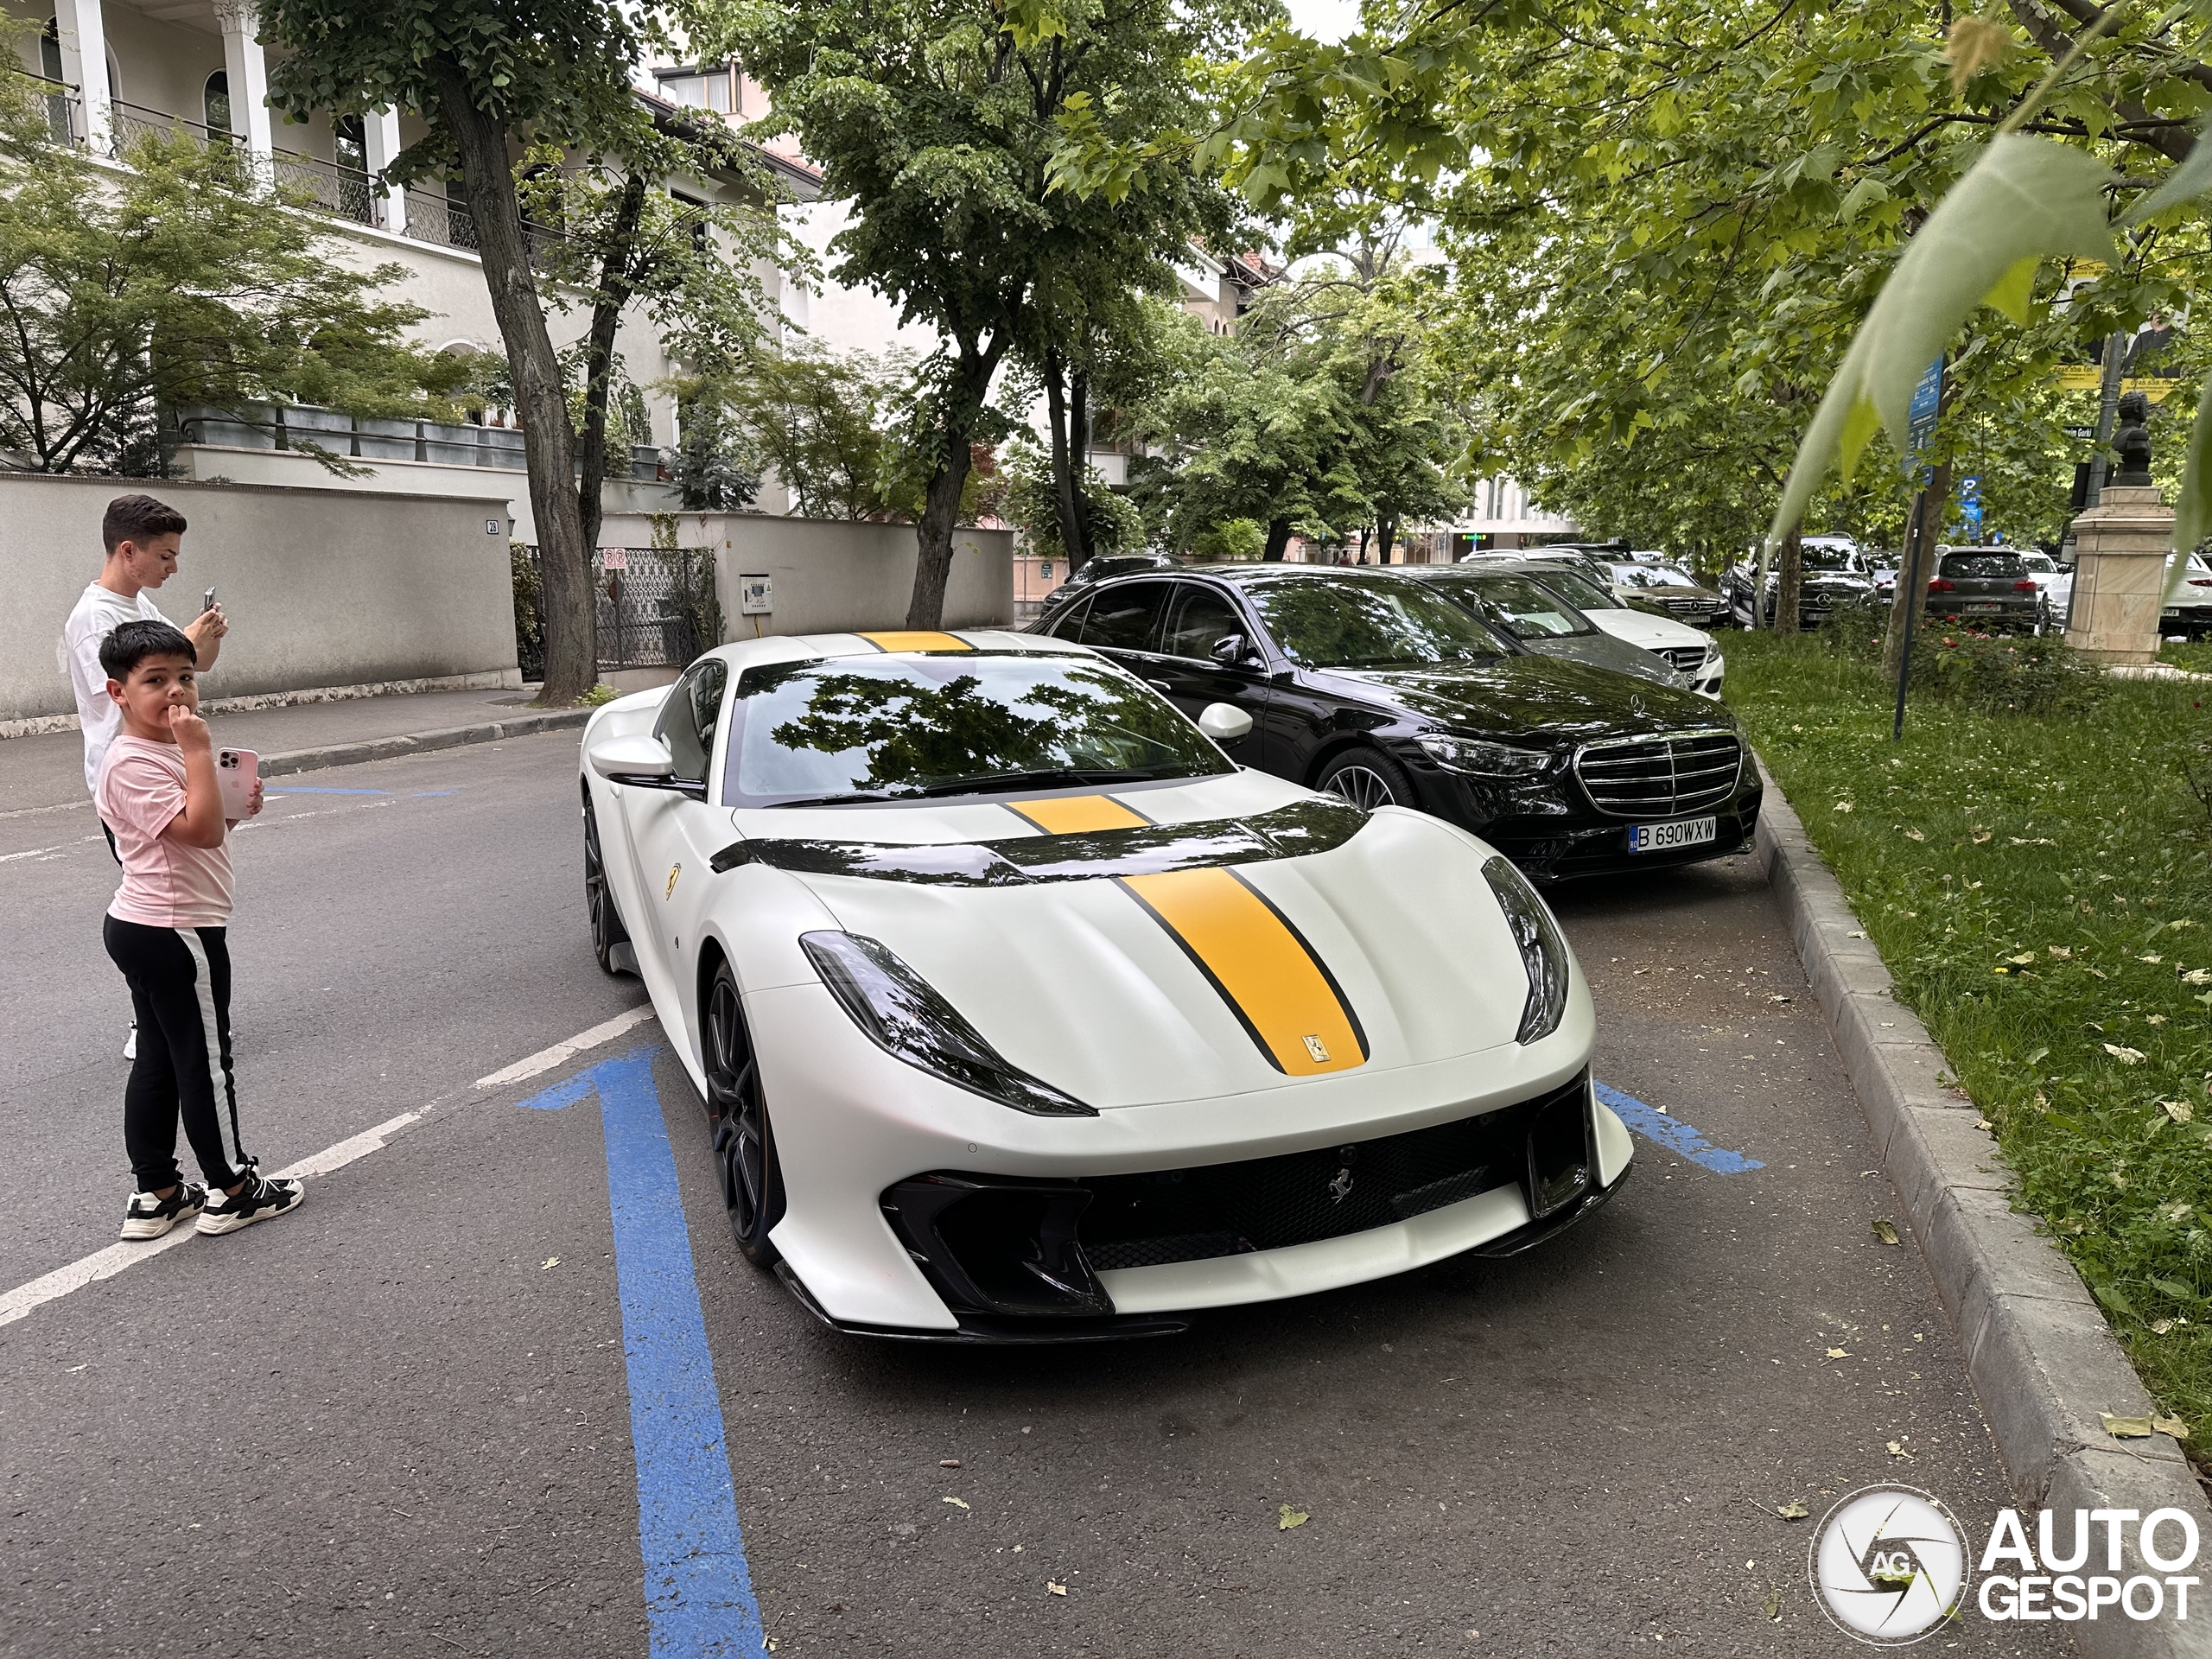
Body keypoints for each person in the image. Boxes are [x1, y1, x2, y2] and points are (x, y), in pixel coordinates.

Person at [96, 619, 302, 1240]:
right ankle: (234, 1187)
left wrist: (235, 806)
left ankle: (157, 1193)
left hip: (156, 924)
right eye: (154, 681)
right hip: (174, 931)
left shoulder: (161, 752)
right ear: (119, 693)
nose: (176, 693)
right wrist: (197, 754)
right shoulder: (132, 762)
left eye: (185, 677)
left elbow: (206, 831)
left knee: (159, 1058)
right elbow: (199, 832)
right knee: (206, 1061)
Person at [60, 494, 226, 1058]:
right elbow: (126, 705)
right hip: (131, 781)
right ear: (127, 550)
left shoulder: (141, 606)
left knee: (188, 900)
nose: (173, 567)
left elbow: (184, 671)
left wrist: (200, 646)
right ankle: (150, 1022)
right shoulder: (95, 621)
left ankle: (169, 1018)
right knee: (157, 905)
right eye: (164, 556)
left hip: (168, 769)